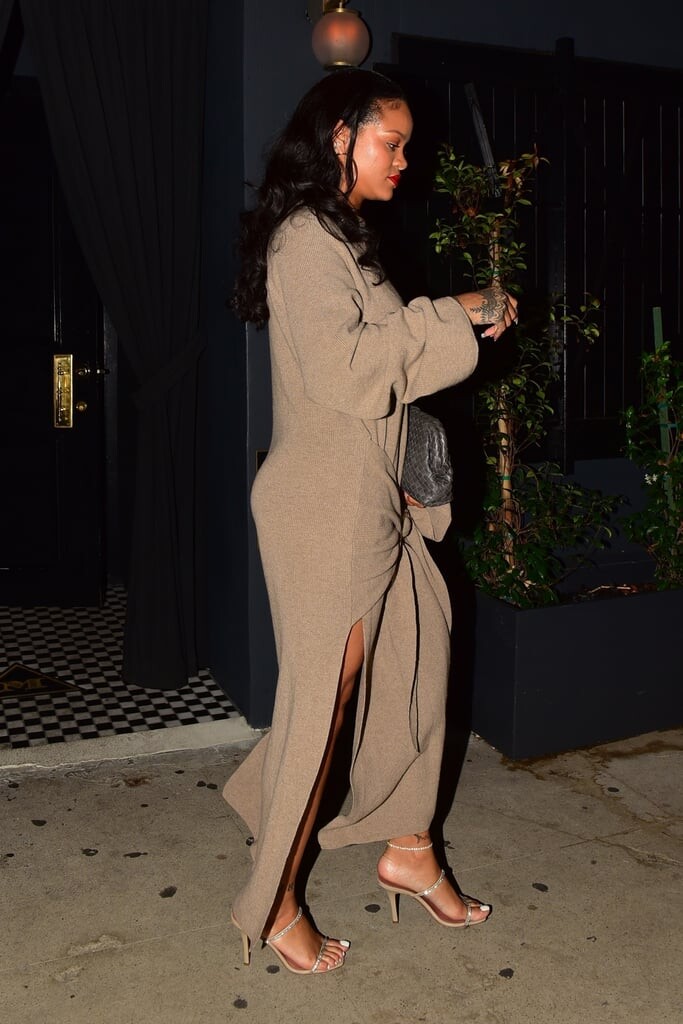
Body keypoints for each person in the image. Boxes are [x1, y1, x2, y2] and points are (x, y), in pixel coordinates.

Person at [224, 68, 517, 975]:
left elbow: (392, 379)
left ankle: (409, 847)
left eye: (406, 145)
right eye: (392, 142)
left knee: (418, 660)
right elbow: (350, 370)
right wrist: (454, 311)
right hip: (323, 510)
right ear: (341, 136)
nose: (404, 160)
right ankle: (272, 899)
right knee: (325, 704)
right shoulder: (303, 240)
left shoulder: (346, 238)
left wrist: (408, 471)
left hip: (374, 498)